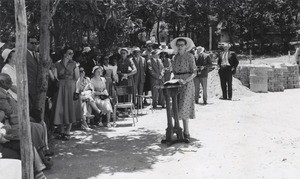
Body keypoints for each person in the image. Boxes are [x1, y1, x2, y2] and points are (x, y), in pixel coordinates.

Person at [0, 73, 51, 177]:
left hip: (11, 124)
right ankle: (40, 166)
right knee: (32, 132)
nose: (11, 84)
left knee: (40, 125)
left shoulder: (5, 92)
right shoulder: (2, 94)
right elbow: (9, 111)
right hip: (13, 123)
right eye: (9, 82)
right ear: (2, 83)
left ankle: (41, 162)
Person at [170, 37, 197, 139]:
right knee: (175, 106)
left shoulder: (190, 56)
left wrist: (186, 80)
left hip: (187, 83)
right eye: (178, 45)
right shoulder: (174, 58)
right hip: (176, 83)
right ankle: (177, 129)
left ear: (186, 46)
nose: (180, 47)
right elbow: (173, 71)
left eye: (182, 45)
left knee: (185, 106)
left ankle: (186, 131)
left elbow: (195, 72)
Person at [53, 47, 81, 140]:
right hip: (60, 87)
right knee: (60, 107)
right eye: (69, 53)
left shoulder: (74, 64)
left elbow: (77, 78)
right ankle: (61, 130)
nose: (71, 55)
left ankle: (68, 130)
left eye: (72, 53)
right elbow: (55, 77)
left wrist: (77, 91)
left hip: (71, 87)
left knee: (70, 108)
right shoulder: (57, 64)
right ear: (64, 54)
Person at [26, 37, 39, 112]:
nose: (34, 45)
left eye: (36, 43)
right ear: (27, 43)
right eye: (32, 43)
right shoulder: (24, 53)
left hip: (36, 86)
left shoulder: (36, 54)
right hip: (29, 85)